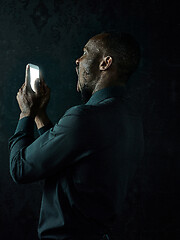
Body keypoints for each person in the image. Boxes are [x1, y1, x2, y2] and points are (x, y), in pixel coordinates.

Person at [8, 31, 144, 240]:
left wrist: (26, 113)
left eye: (85, 53)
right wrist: (40, 115)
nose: (78, 60)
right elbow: (65, 156)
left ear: (105, 63)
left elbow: (20, 168)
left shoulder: (84, 117)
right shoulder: (130, 118)